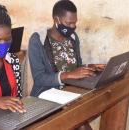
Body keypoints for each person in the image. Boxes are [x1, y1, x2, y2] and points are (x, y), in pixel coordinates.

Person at [28, 0, 105, 130]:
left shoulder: (73, 37)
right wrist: (68, 75)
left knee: (87, 112)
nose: (73, 26)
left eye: (75, 22)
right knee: (81, 124)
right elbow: (39, 78)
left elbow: (76, 67)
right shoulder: (38, 40)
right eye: (69, 23)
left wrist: (89, 67)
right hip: (46, 95)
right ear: (56, 19)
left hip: (70, 92)